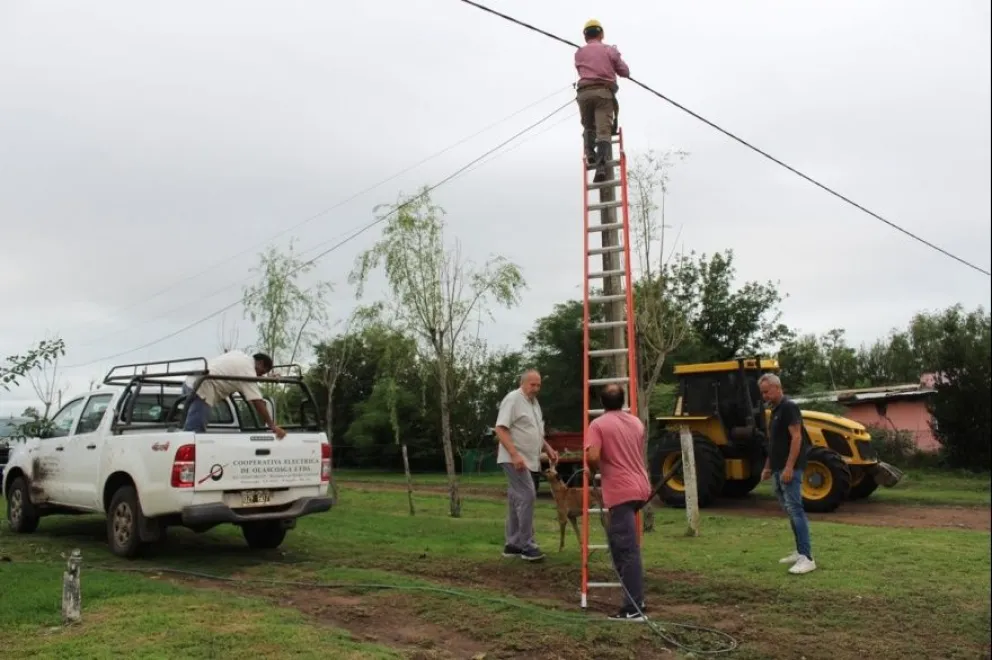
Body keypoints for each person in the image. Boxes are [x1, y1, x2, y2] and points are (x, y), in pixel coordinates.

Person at [585, 383, 651, 621]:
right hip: (641, 487)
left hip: (621, 492)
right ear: (622, 401)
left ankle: (634, 608)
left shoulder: (598, 424)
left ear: (601, 403)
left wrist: (592, 470)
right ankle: (635, 599)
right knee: (620, 544)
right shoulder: (636, 422)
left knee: (626, 549)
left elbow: (592, 455)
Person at [494, 369, 559, 562]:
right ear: (522, 383)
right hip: (514, 458)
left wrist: (547, 448)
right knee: (528, 494)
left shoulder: (534, 403)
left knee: (516, 498)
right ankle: (527, 545)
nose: (536, 388)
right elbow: (500, 428)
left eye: (539, 385)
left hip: (528, 459)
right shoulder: (513, 399)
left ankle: (513, 544)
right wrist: (514, 455)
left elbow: (535, 430)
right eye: (533, 384)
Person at [758, 373, 816, 575]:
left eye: (766, 391)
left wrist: (790, 467)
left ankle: (807, 557)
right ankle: (799, 551)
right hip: (777, 468)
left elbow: (797, 437)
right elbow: (773, 444)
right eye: (762, 392)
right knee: (790, 510)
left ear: (776, 387)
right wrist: (767, 466)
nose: (764, 396)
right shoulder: (774, 411)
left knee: (795, 509)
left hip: (788, 468)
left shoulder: (789, 407)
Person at [182, 350, 286, 440]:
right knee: (194, 433)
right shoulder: (248, 371)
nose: (259, 376)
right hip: (202, 388)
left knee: (187, 426)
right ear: (260, 363)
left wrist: (267, 379)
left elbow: (242, 378)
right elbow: (257, 401)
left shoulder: (239, 355)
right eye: (261, 373)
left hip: (191, 382)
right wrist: (272, 426)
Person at [574, 19, 630, 181]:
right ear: (601, 34)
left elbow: (580, 69)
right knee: (604, 132)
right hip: (603, 93)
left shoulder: (579, 53)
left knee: (588, 126)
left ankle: (590, 153)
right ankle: (601, 167)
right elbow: (624, 71)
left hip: (584, 94)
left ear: (585, 36)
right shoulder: (609, 50)